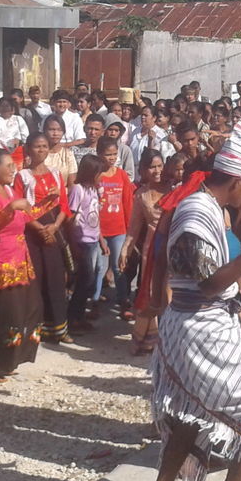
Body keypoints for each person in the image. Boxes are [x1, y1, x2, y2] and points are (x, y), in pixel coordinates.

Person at [146, 117, 241, 481]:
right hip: (198, 325)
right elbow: (206, 283)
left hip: (200, 322)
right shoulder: (196, 212)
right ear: (237, 181)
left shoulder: (204, 207)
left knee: (190, 413)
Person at [0, 148, 59, 383]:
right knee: (5, 316)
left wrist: (50, 200)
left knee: (30, 311)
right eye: (9, 166)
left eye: (14, 165)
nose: (13, 170)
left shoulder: (9, 190)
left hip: (21, 261)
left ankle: (9, 360)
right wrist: (10, 208)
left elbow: (26, 215)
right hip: (0, 264)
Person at [17, 132, 74, 342]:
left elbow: (64, 205)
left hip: (53, 228)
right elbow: (19, 209)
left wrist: (55, 226)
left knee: (56, 279)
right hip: (32, 233)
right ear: (29, 149)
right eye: (36, 146)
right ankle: (35, 330)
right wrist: (38, 228)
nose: (41, 150)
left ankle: (59, 329)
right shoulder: (22, 176)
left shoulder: (56, 174)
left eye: (44, 146)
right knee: (36, 280)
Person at [121, 148, 167, 355]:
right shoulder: (141, 195)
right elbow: (134, 228)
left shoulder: (174, 190)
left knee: (171, 293)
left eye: (159, 166)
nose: (157, 171)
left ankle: (167, 340)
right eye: (152, 167)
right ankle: (146, 340)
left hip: (173, 246)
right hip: (151, 249)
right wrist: (125, 250)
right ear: (143, 170)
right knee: (150, 293)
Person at [67, 154, 109, 332]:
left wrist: (101, 241)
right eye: (99, 173)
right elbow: (70, 217)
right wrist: (73, 243)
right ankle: (73, 318)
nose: (102, 177)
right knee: (85, 280)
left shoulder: (93, 190)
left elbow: (94, 217)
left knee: (89, 280)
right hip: (82, 241)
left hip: (93, 240)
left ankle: (80, 316)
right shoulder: (78, 190)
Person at [94, 135, 136, 318]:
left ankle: (123, 300)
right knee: (99, 268)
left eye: (114, 154)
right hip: (99, 230)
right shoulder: (95, 175)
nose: (111, 158)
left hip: (119, 229)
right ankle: (93, 300)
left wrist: (129, 229)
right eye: (107, 154)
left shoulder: (121, 175)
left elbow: (128, 202)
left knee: (119, 266)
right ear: (99, 154)